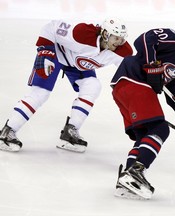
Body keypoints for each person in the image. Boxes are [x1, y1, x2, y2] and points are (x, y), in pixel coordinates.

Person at [0, 18, 133, 153]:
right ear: (105, 34)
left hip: (77, 64)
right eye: (116, 38)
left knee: (93, 86)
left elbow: (130, 72)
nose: (119, 42)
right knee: (40, 93)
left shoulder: (123, 51)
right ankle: (7, 131)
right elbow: (50, 27)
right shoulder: (83, 33)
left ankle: (70, 132)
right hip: (57, 54)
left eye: (122, 38)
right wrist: (45, 52)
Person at [110, 23, 175, 199]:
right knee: (160, 129)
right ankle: (136, 173)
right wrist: (152, 66)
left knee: (145, 135)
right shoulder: (173, 41)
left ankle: (127, 180)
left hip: (127, 89)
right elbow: (144, 39)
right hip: (133, 80)